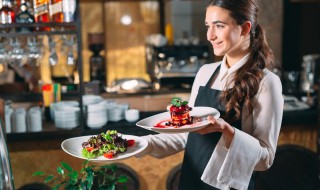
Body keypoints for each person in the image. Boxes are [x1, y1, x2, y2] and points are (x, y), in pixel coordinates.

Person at [137, 0, 283, 189]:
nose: (210, 36)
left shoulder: (266, 82)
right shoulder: (205, 72)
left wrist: (227, 131)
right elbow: (185, 135)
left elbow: (265, 159)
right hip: (191, 180)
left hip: (228, 185)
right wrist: (139, 144)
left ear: (245, 28)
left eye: (219, 26)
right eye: (208, 26)